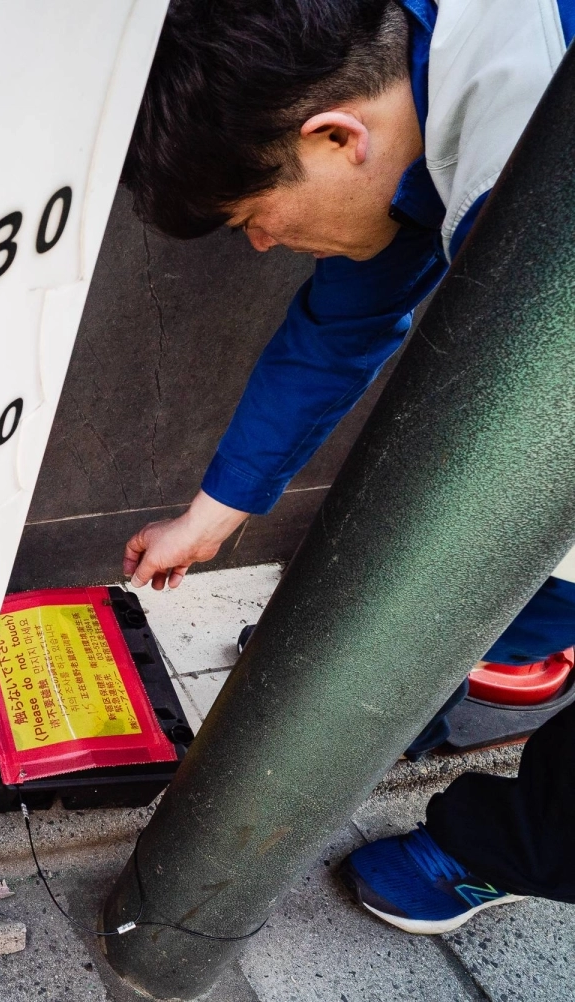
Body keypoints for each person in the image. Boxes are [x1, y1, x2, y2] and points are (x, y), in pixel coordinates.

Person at [120, 0, 575, 934]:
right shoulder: (414, 74)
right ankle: (403, 698)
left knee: (536, 596)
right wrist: (216, 510)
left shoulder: (538, 156)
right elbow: (342, 322)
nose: (260, 244)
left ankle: (509, 846)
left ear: (335, 136)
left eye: (256, 216)